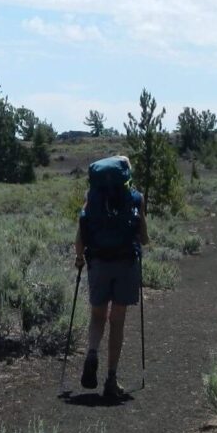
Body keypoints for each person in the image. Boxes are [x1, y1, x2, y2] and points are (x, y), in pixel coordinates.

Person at [74, 155, 149, 400]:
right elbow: (143, 236)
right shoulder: (135, 198)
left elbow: (81, 231)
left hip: (98, 262)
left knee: (97, 317)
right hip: (125, 263)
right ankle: (111, 379)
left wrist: (79, 258)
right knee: (117, 321)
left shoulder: (92, 197)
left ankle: (92, 352)